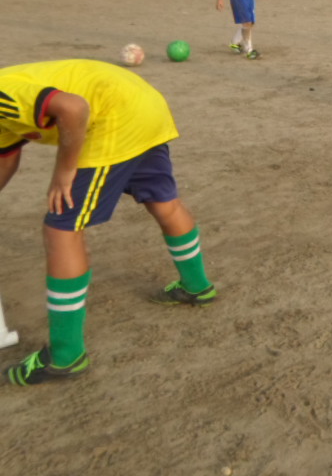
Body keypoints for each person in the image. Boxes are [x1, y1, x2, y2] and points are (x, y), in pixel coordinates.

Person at [0, 59, 216, 386]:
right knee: (163, 202)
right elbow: (6, 159)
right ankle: (197, 287)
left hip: (112, 115)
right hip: (141, 103)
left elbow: (72, 108)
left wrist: (64, 171)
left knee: (61, 227)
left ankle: (66, 355)